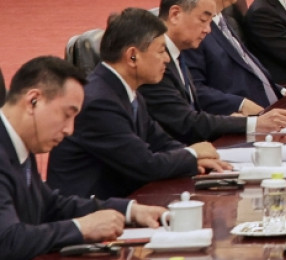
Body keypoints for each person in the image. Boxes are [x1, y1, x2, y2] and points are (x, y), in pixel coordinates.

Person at [47, 9, 231, 200]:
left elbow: (160, 141)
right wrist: (192, 154)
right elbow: (145, 164)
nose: (167, 59)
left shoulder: (128, 90)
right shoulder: (99, 102)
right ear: (133, 56)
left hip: (123, 197)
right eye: (161, 51)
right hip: (89, 212)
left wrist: (200, 157)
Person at [1, 57, 169, 258]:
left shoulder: (19, 144)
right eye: (66, 114)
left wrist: (128, 211)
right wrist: (80, 228)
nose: (69, 130)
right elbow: (6, 241)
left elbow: (51, 206)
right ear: (33, 101)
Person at [142, 0, 286, 145]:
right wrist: (252, 123)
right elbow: (184, 122)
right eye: (203, 20)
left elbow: (193, 114)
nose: (208, 29)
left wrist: (231, 121)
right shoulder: (153, 61)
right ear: (175, 14)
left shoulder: (178, 52)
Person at [180, 0, 286, 111]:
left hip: (276, 110)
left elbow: (249, 70)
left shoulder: (224, 20)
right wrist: (240, 105)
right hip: (245, 123)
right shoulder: (192, 30)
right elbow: (195, 91)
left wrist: (281, 90)